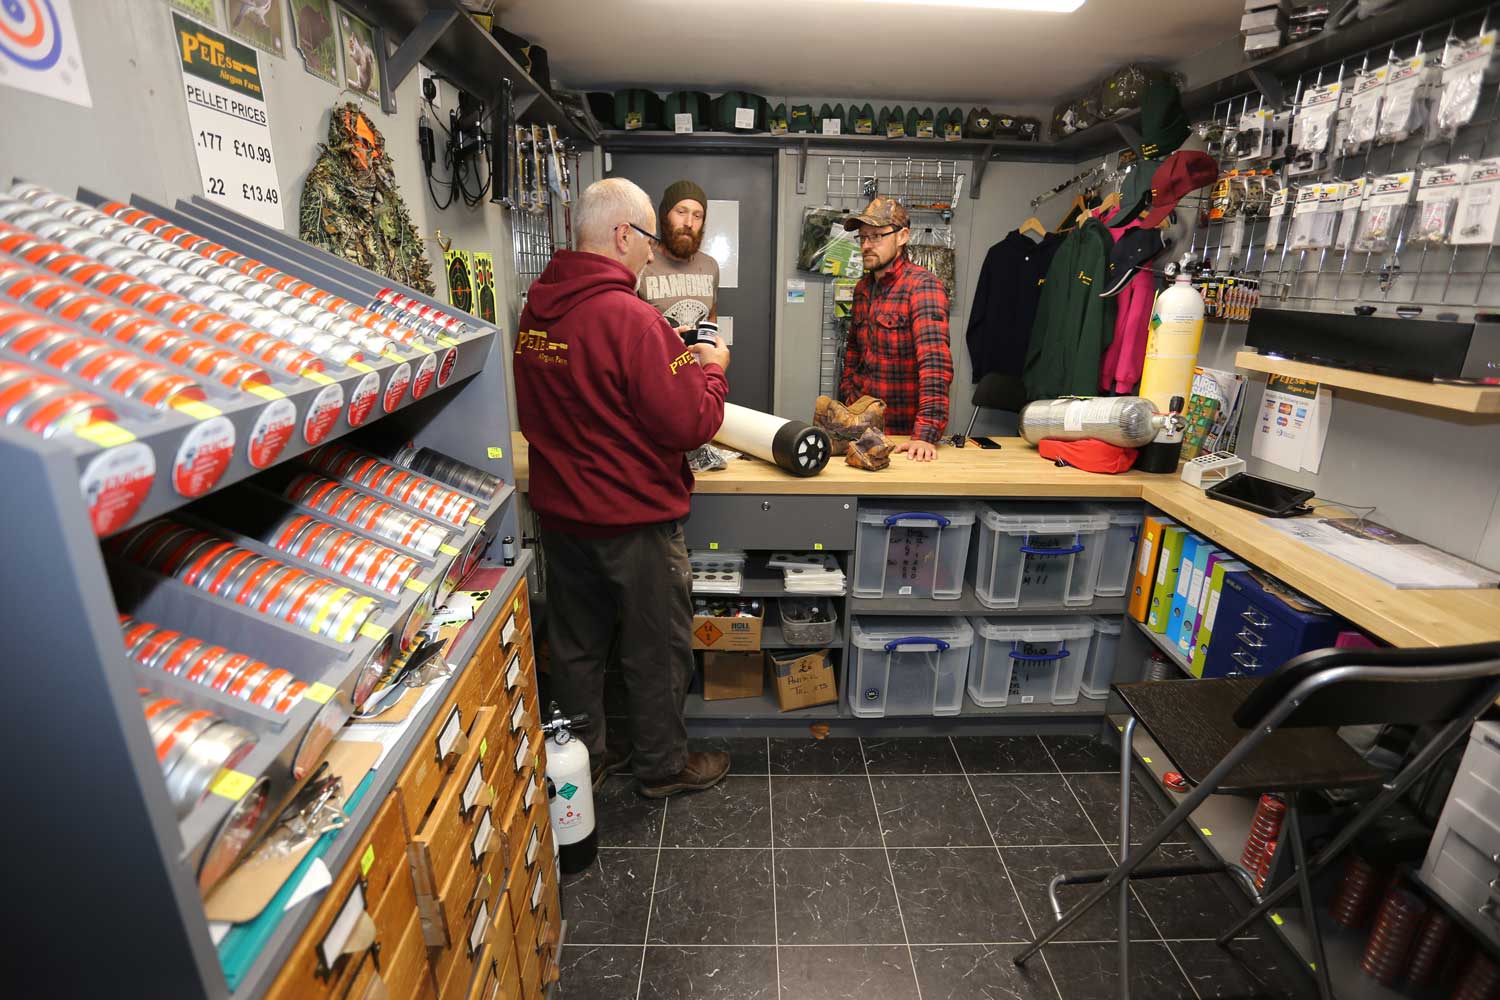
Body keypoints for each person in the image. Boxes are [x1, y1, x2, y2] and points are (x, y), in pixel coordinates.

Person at [514, 177, 732, 798]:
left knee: (577, 648)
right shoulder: (633, 320)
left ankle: (583, 759)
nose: (649, 254)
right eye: (646, 241)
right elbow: (691, 421)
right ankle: (662, 767)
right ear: (621, 235)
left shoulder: (536, 314)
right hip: (633, 523)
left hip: (563, 520)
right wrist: (712, 371)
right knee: (655, 650)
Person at [838, 197, 954, 462]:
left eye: (877, 236)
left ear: (902, 236)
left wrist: (925, 435)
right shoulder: (862, 289)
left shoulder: (922, 287)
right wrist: (849, 396)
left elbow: (935, 365)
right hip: (863, 432)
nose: (867, 245)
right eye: (863, 237)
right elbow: (855, 353)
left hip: (905, 439)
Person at [638, 180, 719, 337]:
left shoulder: (710, 266)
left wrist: (709, 351)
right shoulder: (642, 263)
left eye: (697, 216)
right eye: (681, 212)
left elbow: (711, 316)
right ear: (664, 216)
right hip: (655, 360)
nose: (689, 223)